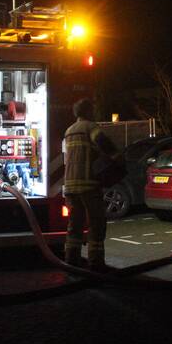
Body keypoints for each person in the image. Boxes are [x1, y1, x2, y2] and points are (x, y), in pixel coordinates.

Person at [62, 98, 121, 271]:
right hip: (88, 184)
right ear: (88, 111)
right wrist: (118, 158)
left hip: (70, 185)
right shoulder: (91, 127)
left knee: (75, 225)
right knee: (96, 224)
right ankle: (95, 263)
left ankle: (71, 259)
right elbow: (105, 145)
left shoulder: (69, 130)